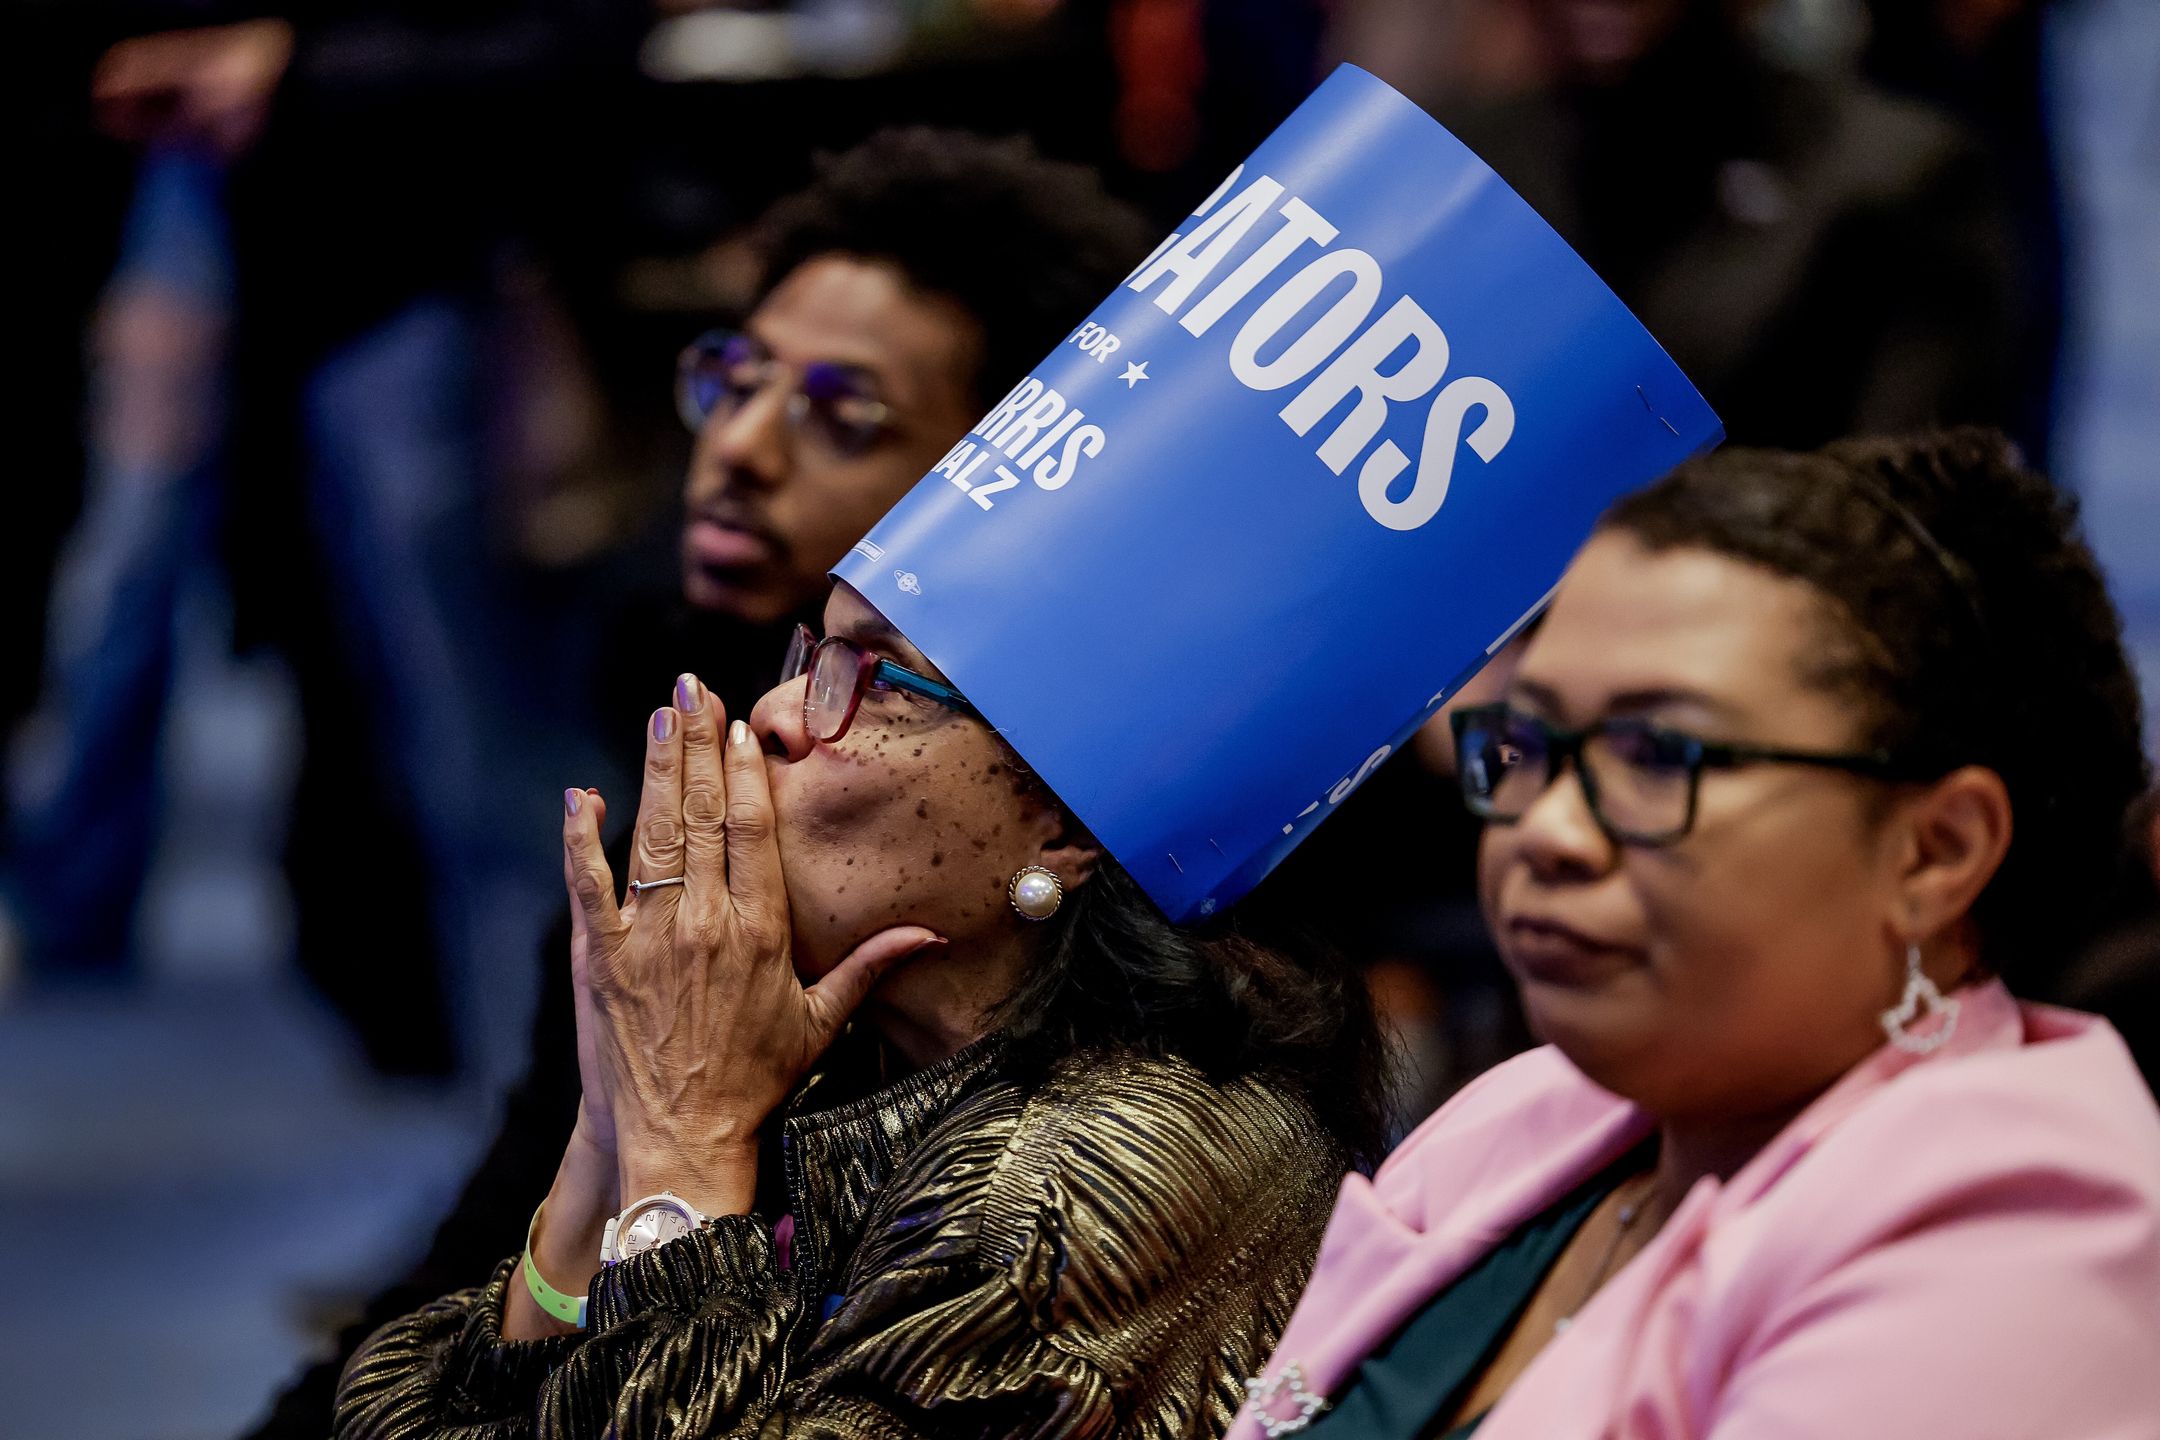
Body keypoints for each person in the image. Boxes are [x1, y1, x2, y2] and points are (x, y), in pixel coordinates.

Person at [239, 127, 1238, 1438]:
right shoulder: (699, 797)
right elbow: (465, 1320)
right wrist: (596, 1186)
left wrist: (681, 1149)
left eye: (841, 413)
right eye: (736, 378)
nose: (744, 448)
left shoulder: (1090, 1162)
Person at [1237, 429, 2160, 1439]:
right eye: (1533, 743)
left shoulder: (2016, 1231)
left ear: (1935, 852)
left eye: (1657, 756)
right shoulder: (1526, 1110)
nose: (1546, 830)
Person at [334, 578, 1391, 1434]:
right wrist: (617, 1131)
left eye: (874, 681)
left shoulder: (1085, 1185)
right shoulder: (835, 1054)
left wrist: (687, 1148)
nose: (775, 715)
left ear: (1067, 827)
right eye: (813, 658)